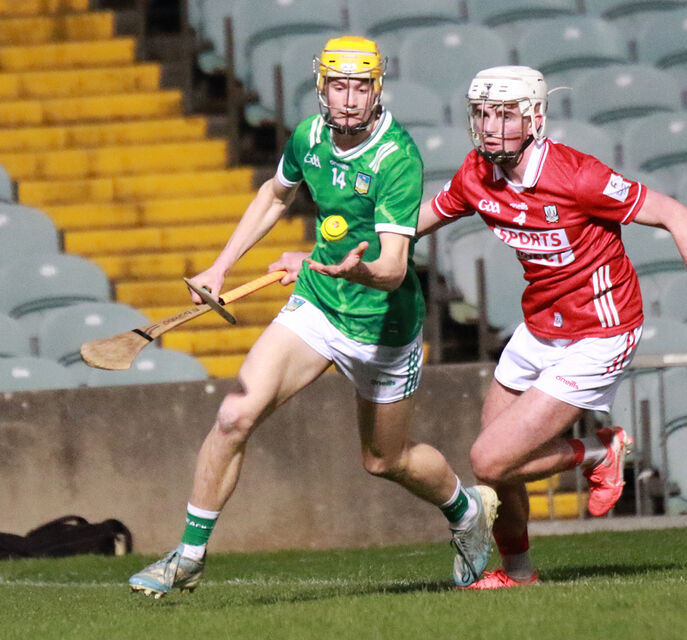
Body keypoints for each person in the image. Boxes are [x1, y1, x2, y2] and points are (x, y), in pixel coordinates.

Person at [128, 36, 498, 598]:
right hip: (318, 307)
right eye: (338, 85)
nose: (349, 99)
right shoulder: (309, 136)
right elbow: (276, 195)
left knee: (385, 460)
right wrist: (221, 268)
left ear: (377, 90)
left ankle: (466, 512)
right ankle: (189, 557)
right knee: (234, 416)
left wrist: (348, 268)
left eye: (360, 87)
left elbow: (394, 269)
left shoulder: (396, 158)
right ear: (323, 87)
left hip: (382, 327)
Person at [414, 66, 687, 589]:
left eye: (505, 114)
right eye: (483, 114)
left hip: (600, 332)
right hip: (540, 325)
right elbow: (414, 221)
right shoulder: (476, 173)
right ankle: (520, 575)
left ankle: (599, 451)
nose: (491, 126)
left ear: (535, 118)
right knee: (495, 463)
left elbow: (679, 215)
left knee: (489, 460)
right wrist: (336, 252)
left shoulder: (577, 176)